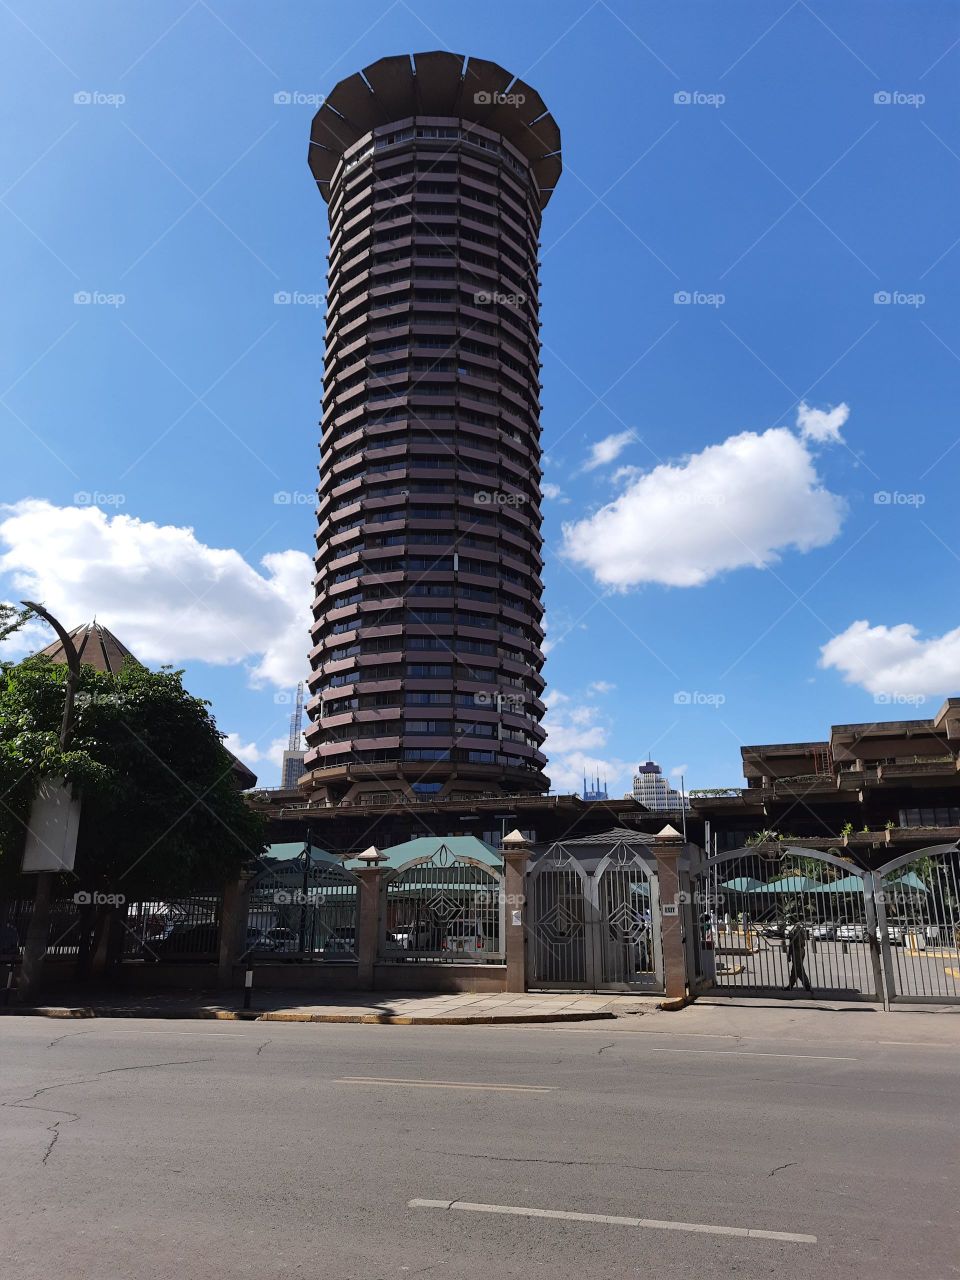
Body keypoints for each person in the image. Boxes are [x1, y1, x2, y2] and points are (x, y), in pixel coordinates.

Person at [786, 920, 812, 993]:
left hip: (796, 950)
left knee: (798, 969)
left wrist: (789, 954)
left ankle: (807, 985)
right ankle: (790, 985)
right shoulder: (801, 928)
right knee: (796, 968)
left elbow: (792, 943)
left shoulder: (793, 929)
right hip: (802, 950)